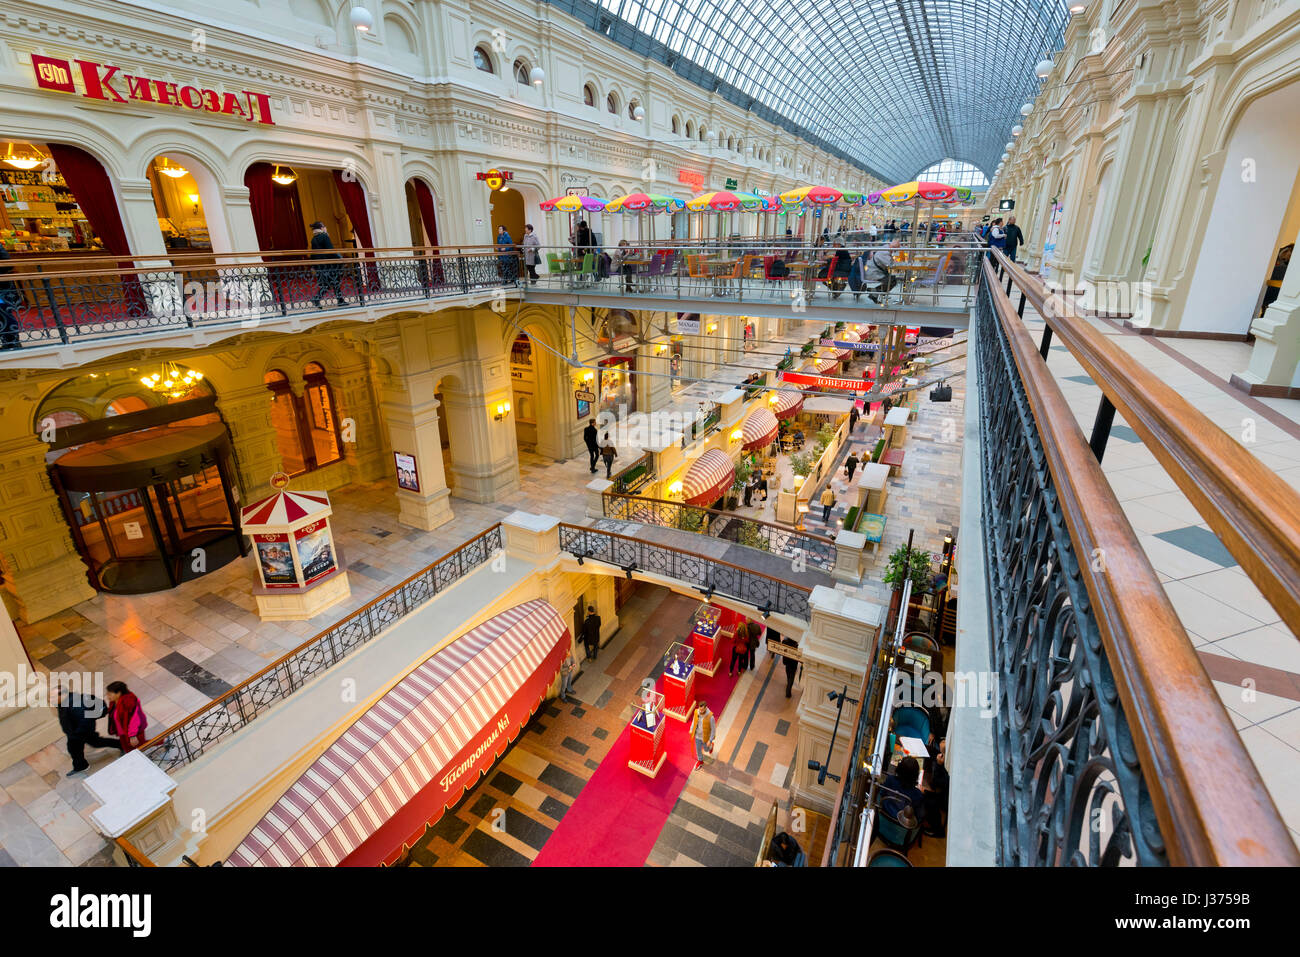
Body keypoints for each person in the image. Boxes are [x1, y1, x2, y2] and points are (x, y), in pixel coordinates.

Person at [57, 688, 120, 775]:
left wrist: (76, 734)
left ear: (63, 695)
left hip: (80, 732)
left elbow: (85, 721)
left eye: (53, 696)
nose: (50, 699)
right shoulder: (64, 703)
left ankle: (81, 766)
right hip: (76, 732)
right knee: (87, 745)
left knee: (88, 744)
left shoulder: (76, 705)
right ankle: (81, 766)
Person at [105, 680, 149, 753]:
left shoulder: (129, 702)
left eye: (109, 694)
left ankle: (162, 740)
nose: (107, 696)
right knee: (128, 748)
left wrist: (132, 735)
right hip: (123, 731)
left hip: (134, 732)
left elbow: (134, 720)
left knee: (140, 747)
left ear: (118, 693)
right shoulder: (114, 701)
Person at [309, 221, 344, 308]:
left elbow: (313, 254)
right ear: (321, 228)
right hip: (329, 264)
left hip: (321, 265)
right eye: (324, 226)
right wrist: (340, 259)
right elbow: (330, 250)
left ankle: (340, 300)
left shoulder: (314, 239)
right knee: (333, 282)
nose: (325, 227)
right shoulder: (324, 236)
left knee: (329, 283)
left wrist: (314, 266)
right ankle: (317, 299)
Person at [922, 738, 949, 837]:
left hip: (947, 797)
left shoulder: (949, 768)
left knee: (929, 800)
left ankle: (937, 830)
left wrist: (938, 764)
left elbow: (935, 783)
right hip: (945, 789)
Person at [883, 756, 926, 820]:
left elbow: (882, 794)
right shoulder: (917, 794)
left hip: (886, 810)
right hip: (903, 820)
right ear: (916, 775)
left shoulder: (890, 779)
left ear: (899, 769)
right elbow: (919, 815)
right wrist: (922, 794)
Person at [864, 239, 900, 304]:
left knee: (892, 279)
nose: (896, 251)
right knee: (891, 280)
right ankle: (875, 292)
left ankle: (875, 292)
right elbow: (890, 264)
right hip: (873, 273)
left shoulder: (885, 249)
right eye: (896, 250)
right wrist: (898, 263)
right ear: (893, 248)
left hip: (875, 271)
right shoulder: (884, 252)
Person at [0, 244, 20, 351]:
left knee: (4, 312)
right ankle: (8, 341)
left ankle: (12, 341)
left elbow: (7, 263)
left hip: (2, 288)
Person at [689, 701, 716, 770]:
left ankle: (711, 746)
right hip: (698, 736)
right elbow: (694, 721)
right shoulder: (696, 712)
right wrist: (691, 729)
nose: (700, 711)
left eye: (702, 710)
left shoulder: (710, 717)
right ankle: (700, 761)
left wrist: (710, 740)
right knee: (698, 749)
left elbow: (713, 730)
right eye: (699, 709)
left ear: (706, 708)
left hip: (706, 737)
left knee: (706, 749)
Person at [778, 633, 799, 698]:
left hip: (786, 661)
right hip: (793, 662)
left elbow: (782, 645)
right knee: (792, 676)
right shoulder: (796, 645)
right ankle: (788, 690)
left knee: (787, 671)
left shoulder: (785, 641)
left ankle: (788, 682)